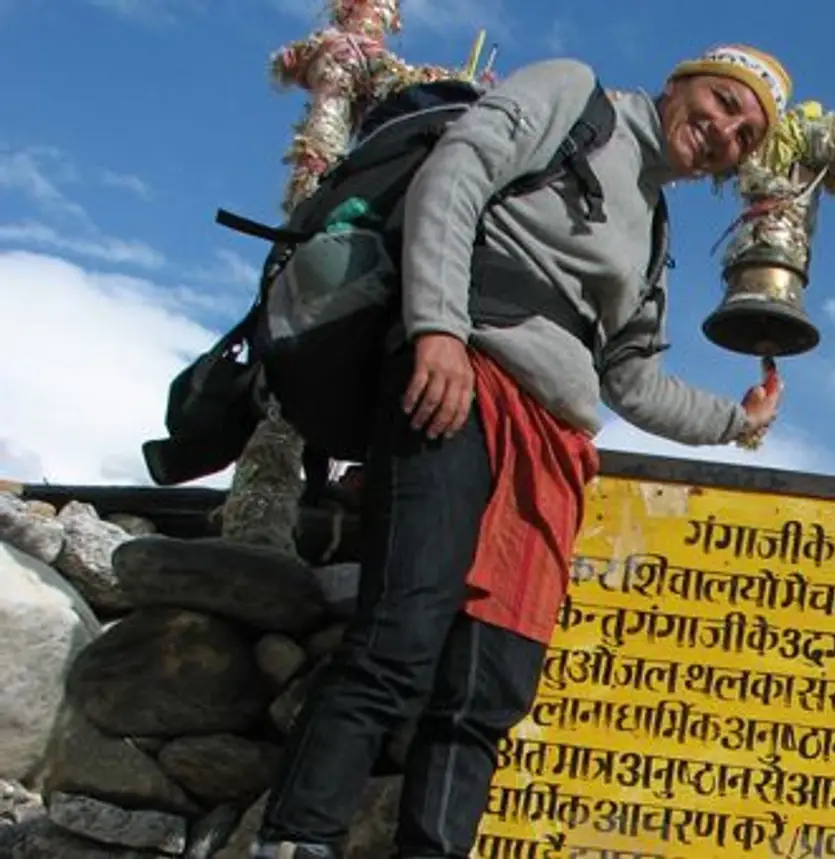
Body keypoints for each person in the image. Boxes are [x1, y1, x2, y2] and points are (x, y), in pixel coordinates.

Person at [248, 45, 794, 859]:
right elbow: (458, 172)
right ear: (679, 82)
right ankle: (296, 841)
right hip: (463, 375)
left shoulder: (654, 232)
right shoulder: (577, 99)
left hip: (550, 446)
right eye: (721, 100)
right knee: (402, 630)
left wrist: (736, 420)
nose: (723, 130)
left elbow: (632, 380)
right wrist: (436, 327)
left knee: (487, 686)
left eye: (744, 133)